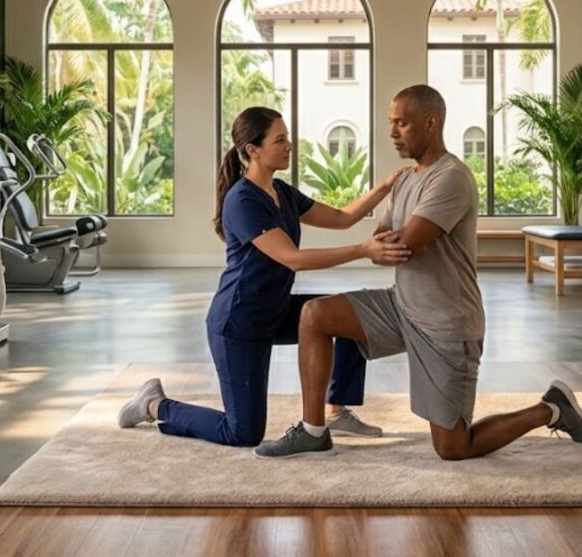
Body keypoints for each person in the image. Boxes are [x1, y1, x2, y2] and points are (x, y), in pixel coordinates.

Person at [255, 85, 582, 459]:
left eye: (401, 123)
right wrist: (380, 246)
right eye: (390, 123)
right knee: (315, 315)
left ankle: (552, 408)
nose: (392, 133)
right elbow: (382, 238)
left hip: (446, 324)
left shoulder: (451, 178)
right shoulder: (406, 179)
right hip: (402, 307)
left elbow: (404, 245)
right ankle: (313, 430)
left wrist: (386, 246)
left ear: (430, 122)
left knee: (453, 448)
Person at [117, 106, 411, 447]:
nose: (289, 146)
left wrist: (388, 186)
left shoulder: (282, 192)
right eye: (280, 140)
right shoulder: (242, 201)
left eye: (288, 138)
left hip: (276, 309)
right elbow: (293, 259)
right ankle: (154, 404)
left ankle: (335, 410)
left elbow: (343, 217)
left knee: (346, 314)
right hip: (239, 323)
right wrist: (364, 250)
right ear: (253, 150)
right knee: (243, 432)